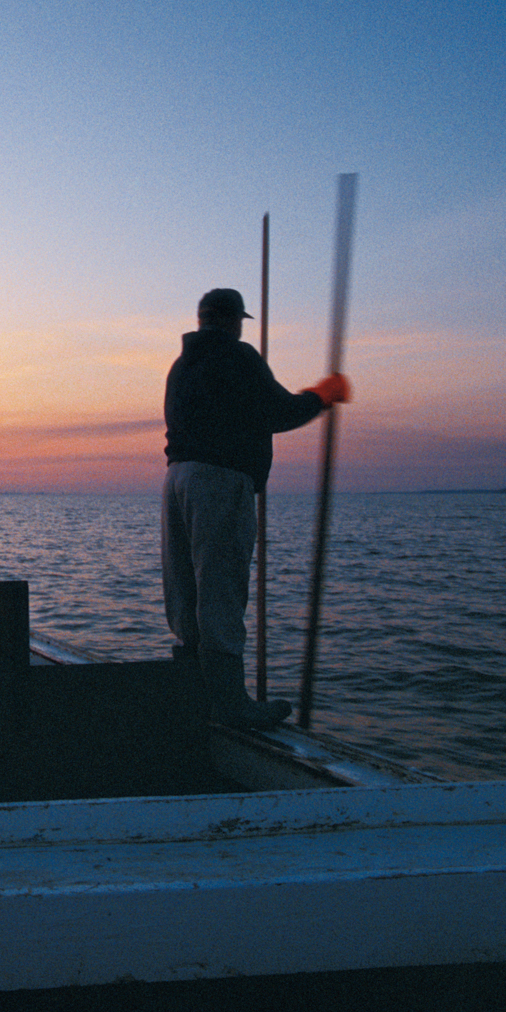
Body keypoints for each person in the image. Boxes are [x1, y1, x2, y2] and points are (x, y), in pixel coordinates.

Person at [162, 288, 350, 728]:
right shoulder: (238, 357)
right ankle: (230, 705)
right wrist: (323, 395)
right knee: (222, 587)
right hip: (220, 481)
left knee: (186, 593)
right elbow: (278, 412)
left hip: (177, 479)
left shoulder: (180, 366)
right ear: (233, 321)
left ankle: (191, 696)